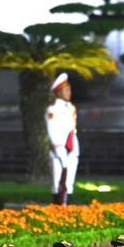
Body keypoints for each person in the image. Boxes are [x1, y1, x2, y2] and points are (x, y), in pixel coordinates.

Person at [46, 73, 79, 205]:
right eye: (66, 90)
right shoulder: (53, 109)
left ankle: (66, 207)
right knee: (57, 182)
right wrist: (59, 149)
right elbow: (52, 129)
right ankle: (58, 208)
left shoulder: (71, 108)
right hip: (59, 149)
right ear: (59, 92)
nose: (69, 92)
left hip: (72, 148)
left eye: (69, 89)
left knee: (69, 181)